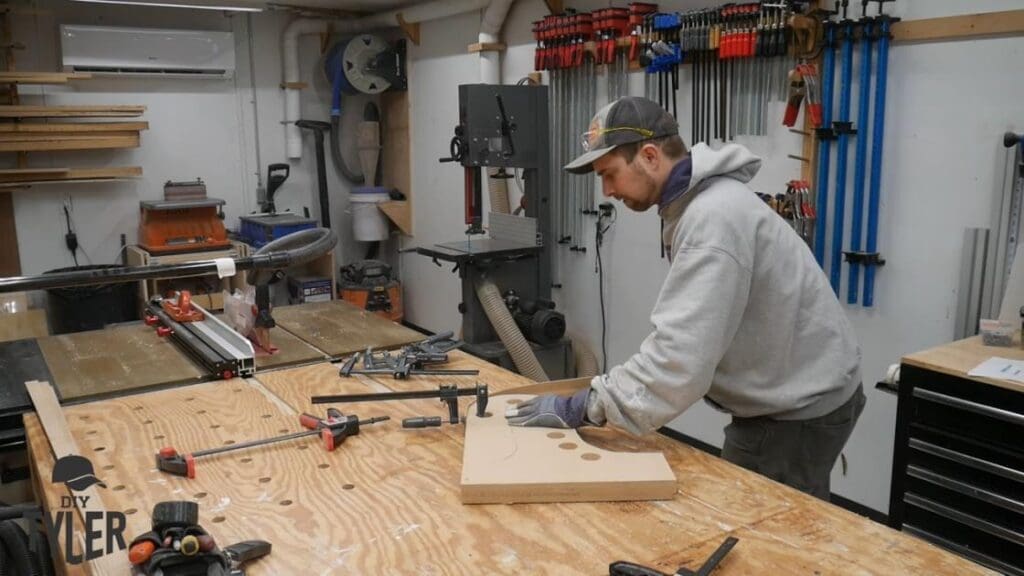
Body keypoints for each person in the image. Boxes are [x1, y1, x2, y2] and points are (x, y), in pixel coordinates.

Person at [505, 96, 865, 501]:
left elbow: (679, 359)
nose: (606, 190)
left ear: (650, 155)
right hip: (801, 389)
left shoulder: (712, 219)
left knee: (764, 529)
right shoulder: (700, 205)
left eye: (610, 173)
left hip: (797, 409)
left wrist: (585, 406)